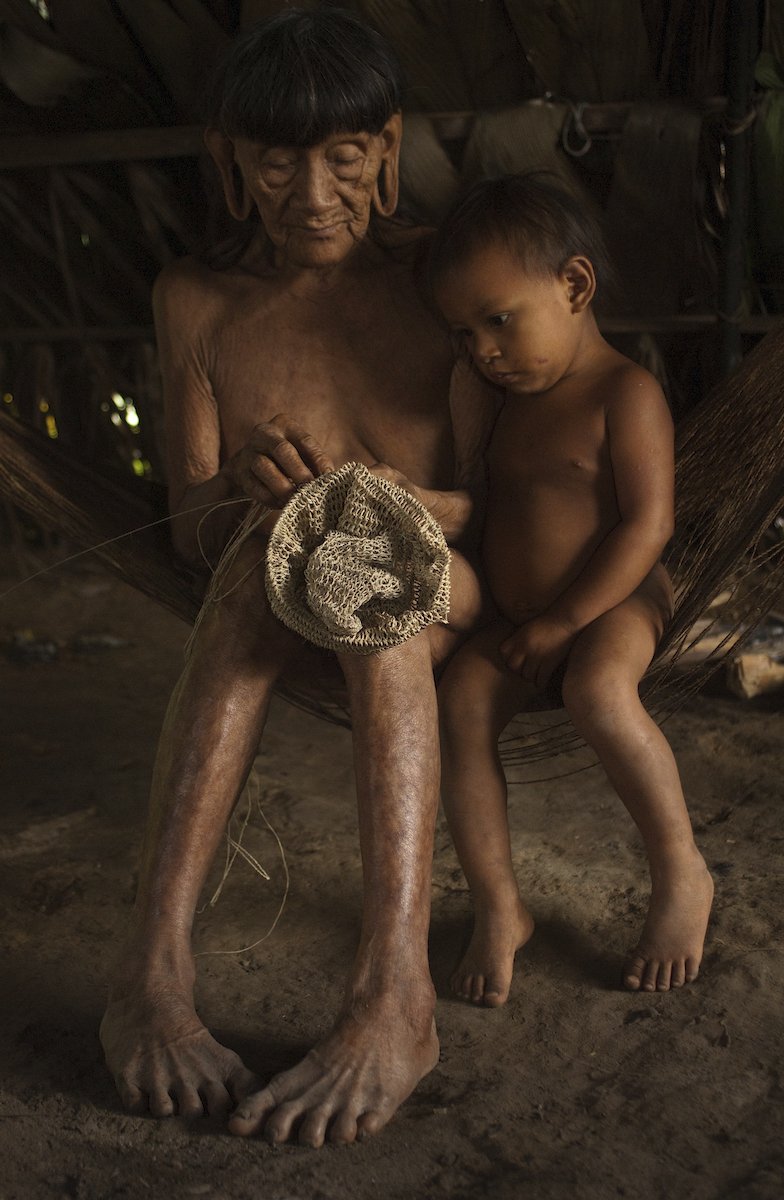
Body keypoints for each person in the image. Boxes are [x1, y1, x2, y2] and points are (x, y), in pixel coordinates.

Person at [99, 9, 493, 1147]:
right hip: (269, 593)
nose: (312, 191)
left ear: (387, 143)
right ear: (229, 161)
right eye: (276, 158)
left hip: (443, 589)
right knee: (250, 569)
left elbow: (501, 509)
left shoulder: (442, 282)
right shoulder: (199, 303)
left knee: (361, 567)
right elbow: (187, 522)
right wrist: (243, 495)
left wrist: (377, 503)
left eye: (342, 155)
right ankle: (153, 977)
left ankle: (394, 999)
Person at [429, 174, 715, 1009]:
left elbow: (647, 527)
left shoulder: (623, 393)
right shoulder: (502, 399)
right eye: (463, 333)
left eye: (498, 320)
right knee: (460, 705)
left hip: (616, 602)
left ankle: (680, 872)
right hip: (524, 619)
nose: (482, 348)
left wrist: (564, 619)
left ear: (575, 286)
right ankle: (498, 905)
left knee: (597, 689)